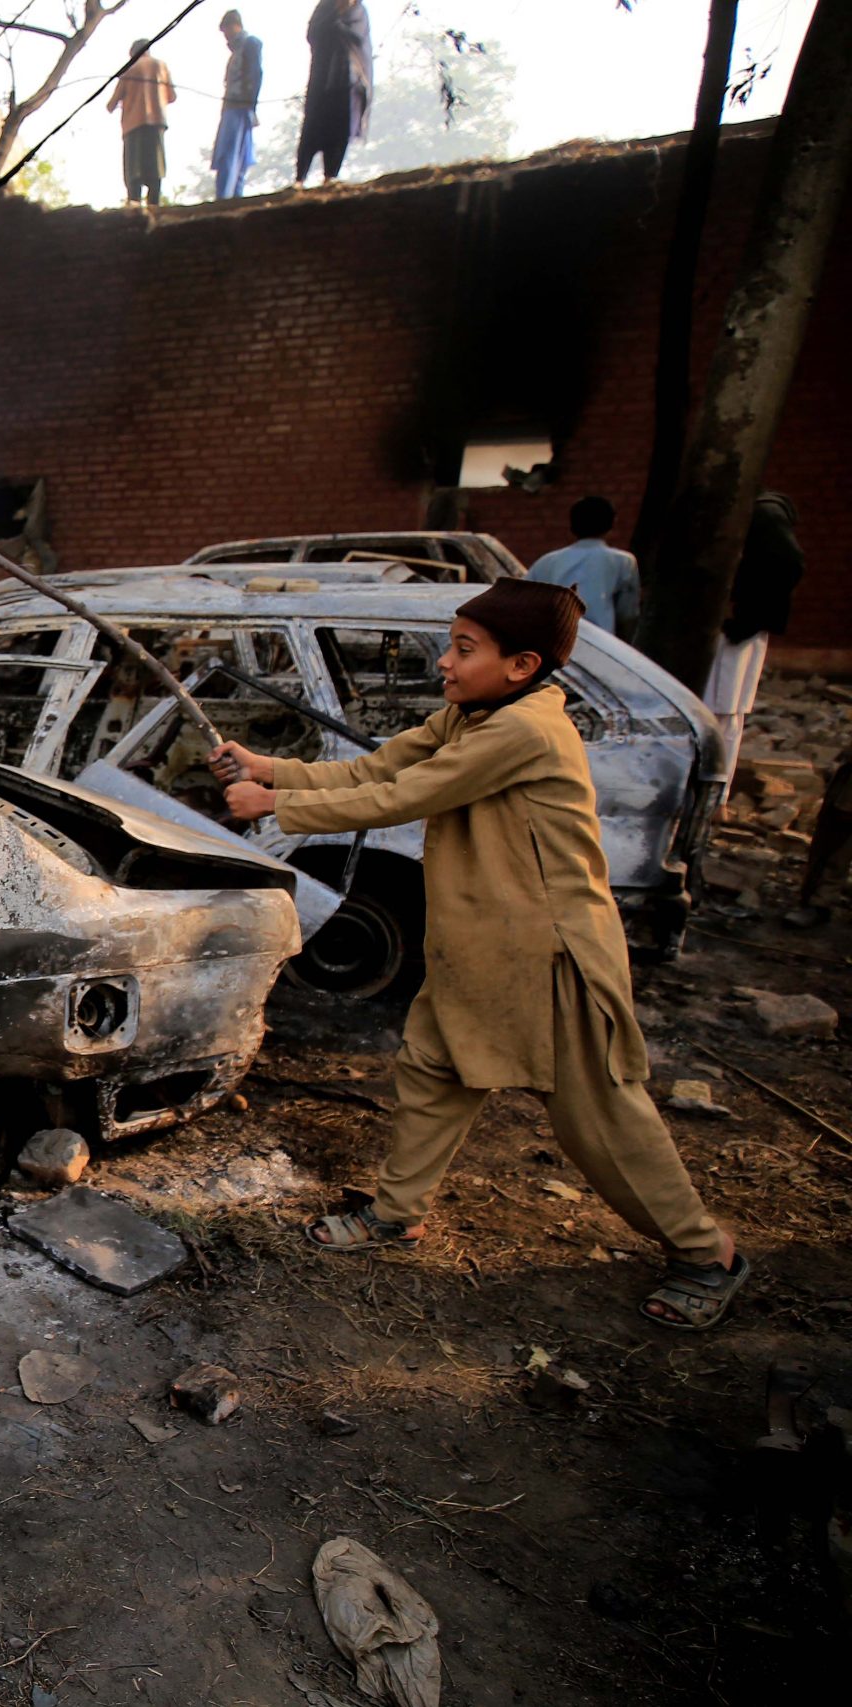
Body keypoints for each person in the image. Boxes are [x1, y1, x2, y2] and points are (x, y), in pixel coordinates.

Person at [216, 578, 747, 1331]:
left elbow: (408, 796)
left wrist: (279, 807)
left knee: (600, 1120)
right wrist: (272, 766)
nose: (446, 663)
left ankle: (707, 1252)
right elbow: (378, 769)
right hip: (478, 948)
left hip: (550, 954)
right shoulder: (470, 716)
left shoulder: (523, 732)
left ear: (523, 664)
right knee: (432, 1072)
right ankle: (398, 1214)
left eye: (465, 650)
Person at [707, 491, 802, 798]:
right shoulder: (761, 516)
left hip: (735, 632)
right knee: (726, 715)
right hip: (739, 629)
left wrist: (746, 617)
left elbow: (788, 561)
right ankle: (715, 796)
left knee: (721, 713)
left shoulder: (763, 515)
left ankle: (712, 797)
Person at [526, 495, 640, 637]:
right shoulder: (623, 561)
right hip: (600, 645)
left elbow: (525, 607)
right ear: (611, 524)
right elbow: (627, 613)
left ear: (572, 525)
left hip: (553, 644)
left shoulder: (546, 562)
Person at [296, 0, 371, 185]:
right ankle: (300, 177)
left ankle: (330, 176)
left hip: (349, 81)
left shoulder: (359, 11)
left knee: (340, 130)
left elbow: (358, 38)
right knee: (312, 126)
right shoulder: (325, 7)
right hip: (322, 79)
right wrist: (335, 19)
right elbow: (312, 34)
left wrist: (338, 26)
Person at [106, 38, 177, 206]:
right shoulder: (161, 66)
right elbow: (172, 96)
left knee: (133, 173)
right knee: (156, 169)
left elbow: (111, 105)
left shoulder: (129, 70)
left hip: (133, 127)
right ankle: (154, 206)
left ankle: (134, 207)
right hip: (157, 123)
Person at [213, 10, 263, 199]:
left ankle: (227, 197)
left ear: (235, 25)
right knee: (233, 154)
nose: (226, 36)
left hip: (240, 106)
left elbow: (255, 75)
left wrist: (251, 105)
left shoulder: (250, 44)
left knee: (232, 154)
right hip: (232, 106)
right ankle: (230, 196)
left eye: (227, 30)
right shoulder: (236, 51)